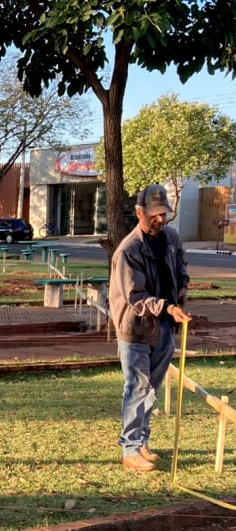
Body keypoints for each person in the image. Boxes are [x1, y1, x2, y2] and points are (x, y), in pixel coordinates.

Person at [109, 184, 192, 473]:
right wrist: (167, 307)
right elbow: (135, 297)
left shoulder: (170, 238)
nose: (160, 219)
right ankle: (129, 449)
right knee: (137, 387)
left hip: (165, 326)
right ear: (139, 213)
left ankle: (142, 441)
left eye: (163, 214)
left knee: (151, 388)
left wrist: (182, 286)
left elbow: (180, 263)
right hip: (136, 328)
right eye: (154, 214)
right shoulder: (128, 250)